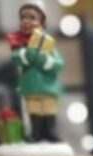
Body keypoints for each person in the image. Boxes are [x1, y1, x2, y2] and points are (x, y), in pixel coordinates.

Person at [6, 2, 63, 143]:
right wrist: (27, 54)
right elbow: (16, 58)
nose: (26, 21)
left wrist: (44, 60)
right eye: (23, 17)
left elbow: (58, 64)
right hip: (30, 84)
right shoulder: (18, 44)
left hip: (47, 85)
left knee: (49, 108)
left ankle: (50, 133)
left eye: (32, 18)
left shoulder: (48, 43)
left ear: (41, 22)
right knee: (34, 109)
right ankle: (35, 134)